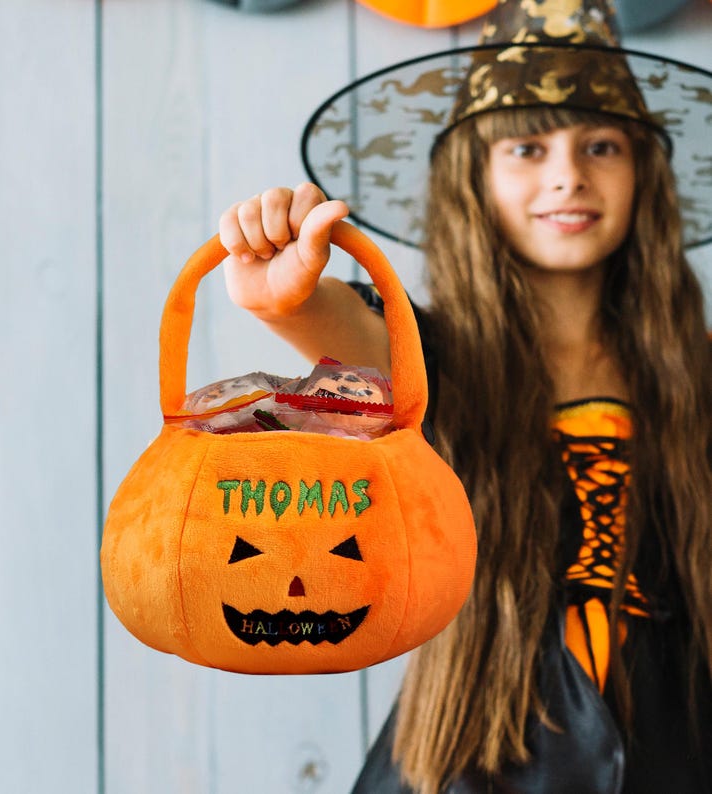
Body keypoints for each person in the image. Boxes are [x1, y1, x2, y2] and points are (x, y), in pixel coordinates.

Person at [218, 1, 712, 791]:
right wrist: (284, 295)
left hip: (679, 750)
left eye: (601, 144)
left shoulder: (697, 369)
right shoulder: (440, 355)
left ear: (643, 172)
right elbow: (349, 331)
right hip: (473, 753)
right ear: (473, 175)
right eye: (526, 146)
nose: (567, 175)